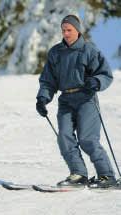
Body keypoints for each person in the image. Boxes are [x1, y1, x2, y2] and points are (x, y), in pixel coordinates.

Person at [36, 15, 116, 188]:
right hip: (66, 99)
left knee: (87, 138)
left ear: (77, 30)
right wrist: (43, 98)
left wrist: (96, 81)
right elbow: (48, 80)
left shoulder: (89, 50)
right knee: (64, 137)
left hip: (86, 98)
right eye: (63, 30)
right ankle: (78, 174)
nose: (65, 33)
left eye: (69, 30)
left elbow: (105, 74)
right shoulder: (56, 52)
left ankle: (107, 175)